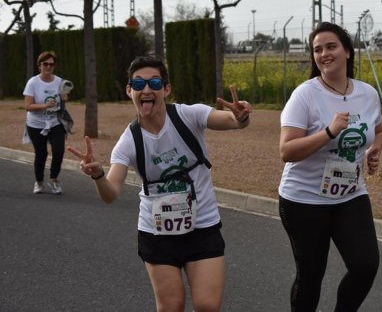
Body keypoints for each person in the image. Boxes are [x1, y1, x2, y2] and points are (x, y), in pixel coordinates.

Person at [67, 56, 252, 312]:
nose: (146, 89)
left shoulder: (189, 115)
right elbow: (111, 193)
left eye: (154, 82)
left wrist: (241, 117)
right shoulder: (128, 142)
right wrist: (98, 175)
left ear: (166, 89)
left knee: (208, 306)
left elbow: (232, 122)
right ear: (129, 90)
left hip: (202, 226)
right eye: (138, 83)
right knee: (171, 307)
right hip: (157, 233)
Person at [278, 22, 382, 311]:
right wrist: (328, 132)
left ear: (348, 52)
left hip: (350, 194)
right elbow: (286, 150)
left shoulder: (368, 93)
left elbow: (377, 126)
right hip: (304, 199)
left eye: (331, 46)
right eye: (317, 49)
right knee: (311, 275)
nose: (324, 53)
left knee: (365, 265)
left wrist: (374, 149)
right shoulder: (305, 95)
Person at [23, 51, 71, 195]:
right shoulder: (33, 82)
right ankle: (39, 182)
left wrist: (64, 97)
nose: (48, 67)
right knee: (41, 153)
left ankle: (54, 179)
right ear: (40, 66)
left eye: (51, 64)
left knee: (59, 150)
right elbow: (28, 106)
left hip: (55, 122)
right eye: (45, 64)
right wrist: (44, 106)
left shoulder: (59, 81)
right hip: (36, 124)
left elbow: (64, 99)